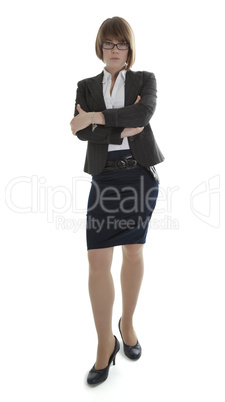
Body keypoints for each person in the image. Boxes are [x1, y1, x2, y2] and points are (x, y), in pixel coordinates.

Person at [70, 16, 164, 385]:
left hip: (139, 176)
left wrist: (97, 121)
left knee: (134, 252)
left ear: (129, 48)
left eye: (120, 43)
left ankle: (127, 324)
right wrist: (115, 123)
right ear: (100, 47)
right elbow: (80, 132)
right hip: (104, 177)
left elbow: (142, 114)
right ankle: (103, 345)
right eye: (108, 43)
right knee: (96, 261)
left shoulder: (145, 80)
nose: (114, 49)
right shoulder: (86, 86)